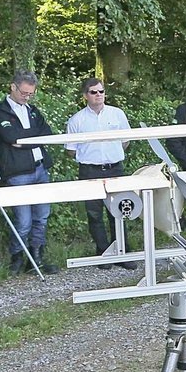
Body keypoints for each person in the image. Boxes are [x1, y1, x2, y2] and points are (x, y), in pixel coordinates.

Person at [0, 69, 58, 274]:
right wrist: (29, 139)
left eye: (31, 94)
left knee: (42, 216)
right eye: (24, 93)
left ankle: (36, 257)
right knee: (23, 221)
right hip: (17, 172)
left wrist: (24, 140)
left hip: (40, 169)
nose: (27, 97)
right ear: (13, 87)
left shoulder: (33, 110)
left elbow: (46, 133)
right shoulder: (0, 111)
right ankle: (17, 257)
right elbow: (11, 137)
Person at [65, 77, 132, 261]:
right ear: (85, 95)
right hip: (90, 171)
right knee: (94, 215)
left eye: (101, 91)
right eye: (94, 92)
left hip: (115, 169)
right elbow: (70, 150)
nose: (99, 95)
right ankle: (103, 254)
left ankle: (123, 253)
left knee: (119, 211)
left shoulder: (117, 114)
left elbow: (126, 140)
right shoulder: (76, 120)